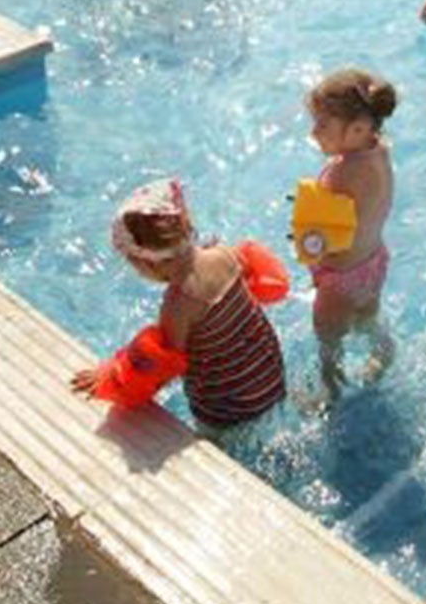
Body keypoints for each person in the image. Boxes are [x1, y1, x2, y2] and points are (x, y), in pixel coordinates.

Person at [70, 178, 286, 427]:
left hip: (231, 409)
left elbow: (159, 369)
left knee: (214, 438)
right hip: (272, 379)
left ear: (146, 263)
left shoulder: (179, 305)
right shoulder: (225, 254)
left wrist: (111, 374)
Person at [304, 69, 398, 400]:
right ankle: (383, 352)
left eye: (323, 124)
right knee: (368, 318)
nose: (314, 132)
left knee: (328, 338)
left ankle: (329, 391)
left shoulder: (342, 173)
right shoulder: (380, 149)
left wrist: (307, 237)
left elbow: (319, 240)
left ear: (358, 128)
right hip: (373, 262)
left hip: (340, 276)